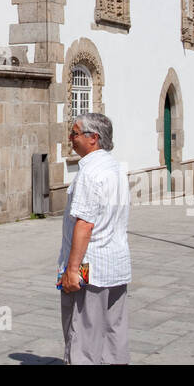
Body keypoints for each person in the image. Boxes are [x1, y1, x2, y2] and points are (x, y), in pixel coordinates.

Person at [57, 112, 131, 365]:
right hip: (115, 262)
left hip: (90, 267)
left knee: (83, 334)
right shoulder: (115, 168)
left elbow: (85, 224)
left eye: (75, 133)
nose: (70, 138)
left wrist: (72, 269)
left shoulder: (90, 173)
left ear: (93, 138)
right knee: (113, 330)